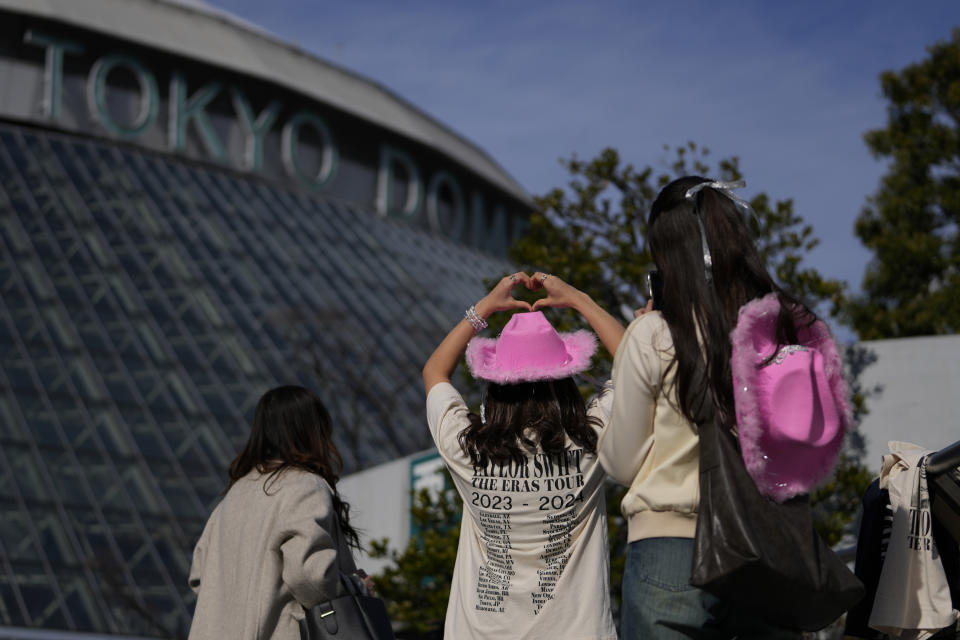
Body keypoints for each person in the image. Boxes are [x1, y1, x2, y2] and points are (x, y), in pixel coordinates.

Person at [600, 176, 837, 639]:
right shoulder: (782, 332)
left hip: (672, 547)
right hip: (766, 549)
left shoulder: (654, 334)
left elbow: (621, 462)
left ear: (666, 255)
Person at [422, 271, 625, 640]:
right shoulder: (588, 441)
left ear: (495, 386)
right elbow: (636, 364)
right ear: (564, 382)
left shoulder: (469, 448)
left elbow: (435, 372)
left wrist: (483, 308)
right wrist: (578, 299)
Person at [187, 385, 371, 640]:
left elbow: (198, 577)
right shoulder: (304, 485)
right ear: (313, 430)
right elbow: (310, 576)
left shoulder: (232, 497)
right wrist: (357, 586)